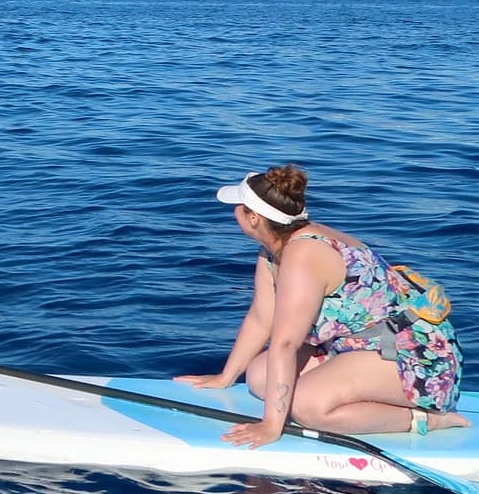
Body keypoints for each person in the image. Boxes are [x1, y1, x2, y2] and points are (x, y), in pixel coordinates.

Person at [176, 164, 467, 449]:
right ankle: (348, 393)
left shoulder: (303, 254)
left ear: (253, 218)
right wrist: (225, 377)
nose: (234, 212)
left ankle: (426, 418)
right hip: (356, 346)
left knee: (308, 407)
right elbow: (261, 318)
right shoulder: (273, 250)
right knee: (259, 376)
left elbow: (286, 343)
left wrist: (271, 426)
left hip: (417, 357)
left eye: (239, 207)